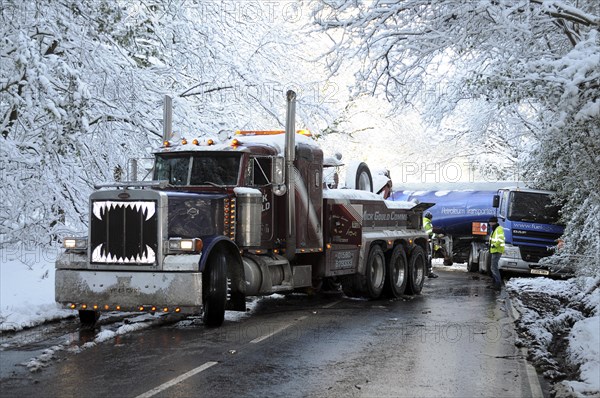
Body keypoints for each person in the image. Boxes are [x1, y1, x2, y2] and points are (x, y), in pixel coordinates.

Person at [488, 216, 505, 290]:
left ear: (494, 222)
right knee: (493, 267)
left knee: (494, 267)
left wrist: (494, 245)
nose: (490, 223)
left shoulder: (499, 229)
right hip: (494, 250)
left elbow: (501, 239)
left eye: (491, 222)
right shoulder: (495, 229)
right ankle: (495, 283)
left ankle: (498, 284)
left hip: (497, 250)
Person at [423, 212, 438, 278]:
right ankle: (429, 272)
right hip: (427, 242)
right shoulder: (427, 223)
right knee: (428, 257)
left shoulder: (422, 221)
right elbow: (430, 233)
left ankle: (425, 271)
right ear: (430, 218)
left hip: (422, 241)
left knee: (425, 257)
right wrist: (437, 235)